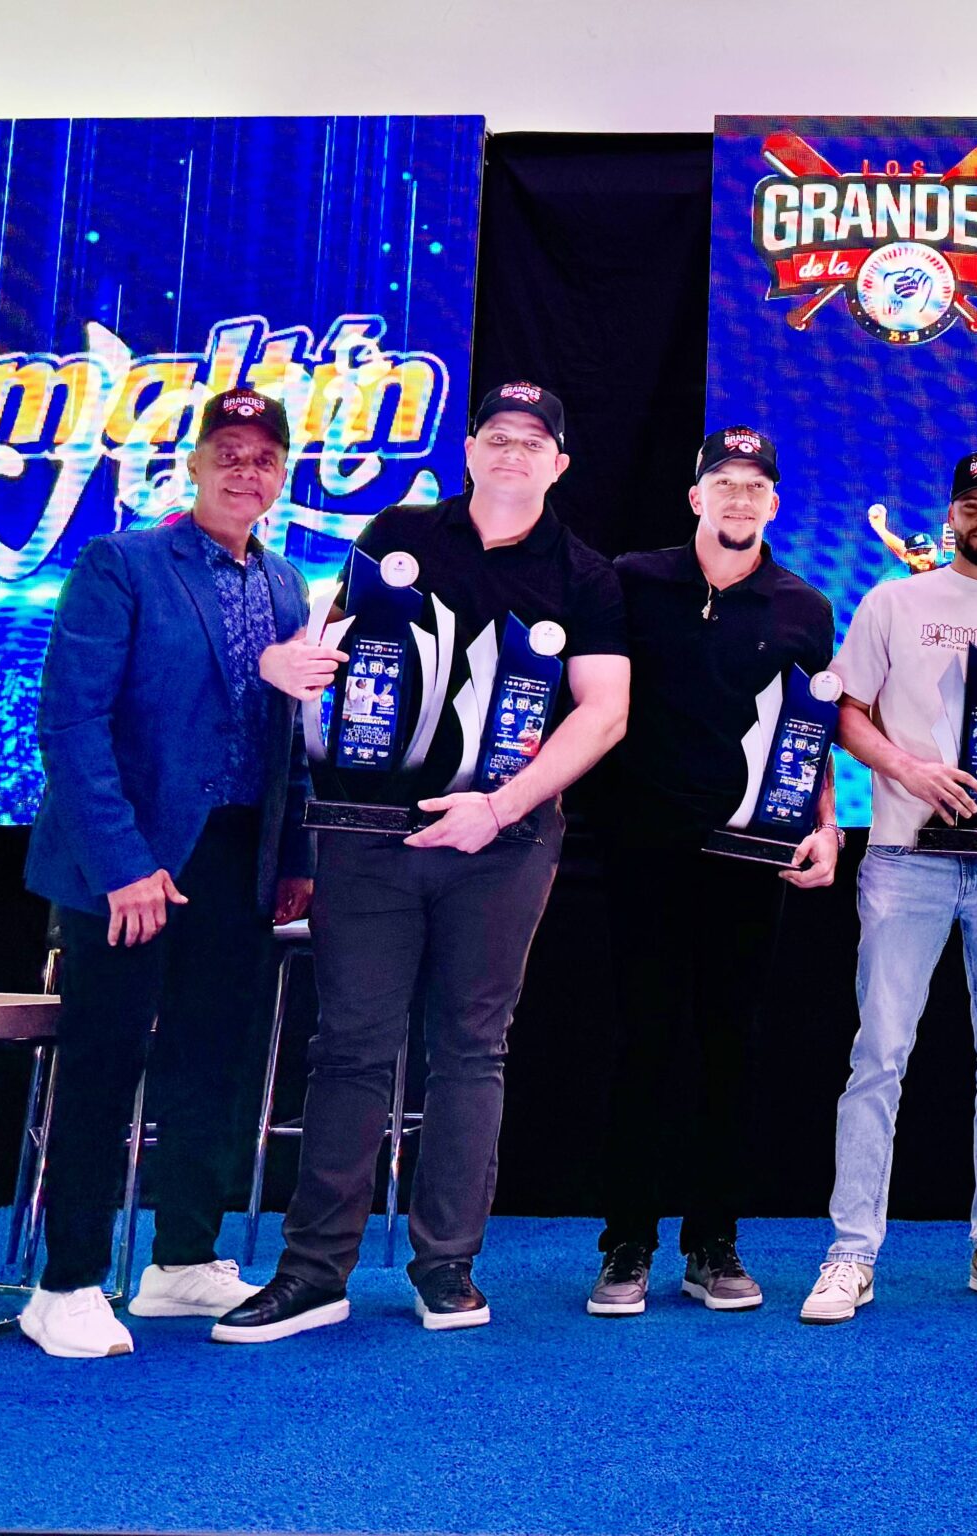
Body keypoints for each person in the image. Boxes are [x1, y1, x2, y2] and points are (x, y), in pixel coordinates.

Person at [216, 383, 631, 1343]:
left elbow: (605, 712)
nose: (514, 452)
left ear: (560, 463)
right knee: (350, 1048)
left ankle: (446, 1266)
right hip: (367, 834)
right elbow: (325, 645)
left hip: (502, 843)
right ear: (470, 449)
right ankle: (313, 1272)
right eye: (497, 436)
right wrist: (286, 663)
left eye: (533, 441)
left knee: (472, 1050)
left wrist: (500, 807)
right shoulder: (397, 531)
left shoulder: (585, 575)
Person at [17, 389, 319, 1357]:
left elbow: (287, 736)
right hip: (127, 861)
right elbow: (71, 723)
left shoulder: (287, 585)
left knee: (212, 1065)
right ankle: (65, 1283)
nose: (245, 470)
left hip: (236, 858)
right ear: (192, 465)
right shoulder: (122, 562)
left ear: (282, 475)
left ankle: (181, 1260)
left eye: (263, 457)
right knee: (104, 1065)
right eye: (227, 451)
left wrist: (295, 857)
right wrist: (124, 865)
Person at [800, 451, 977, 1324]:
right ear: (950, 515)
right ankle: (851, 1252)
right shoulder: (893, 603)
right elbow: (846, 712)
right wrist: (908, 769)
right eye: (972, 505)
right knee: (879, 1054)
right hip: (904, 857)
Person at [586, 427, 840, 1318]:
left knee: (732, 1044)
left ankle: (713, 1243)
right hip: (644, 844)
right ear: (695, 496)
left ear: (775, 503)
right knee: (644, 1042)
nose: (739, 497)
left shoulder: (804, 606)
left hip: (749, 860)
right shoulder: (630, 580)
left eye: (755, 485)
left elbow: (812, 732)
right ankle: (626, 1243)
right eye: (724, 482)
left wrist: (826, 826)